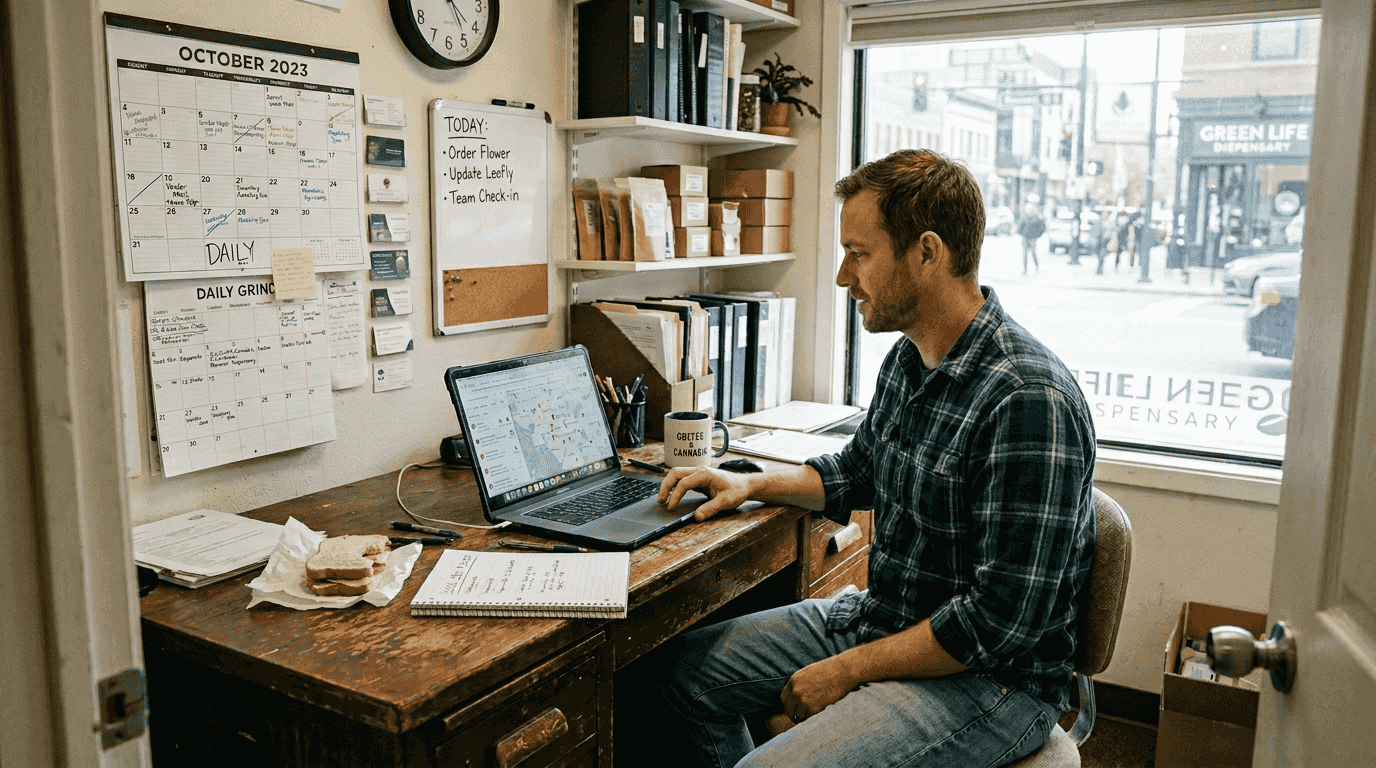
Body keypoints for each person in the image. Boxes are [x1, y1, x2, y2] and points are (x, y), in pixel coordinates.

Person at [649, 149, 1098, 768]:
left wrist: (847, 670)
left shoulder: (1026, 399)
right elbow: (860, 471)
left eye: (858, 253)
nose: (841, 276)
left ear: (927, 253)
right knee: (682, 676)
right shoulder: (910, 359)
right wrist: (749, 485)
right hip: (887, 619)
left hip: (992, 681)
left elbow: (998, 624)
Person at [1016, 203, 1045, 274]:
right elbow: (1020, 226)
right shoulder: (1024, 217)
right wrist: (1020, 232)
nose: (1030, 211)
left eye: (1031, 209)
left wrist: (1038, 235)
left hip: (1033, 238)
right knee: (1025, 254)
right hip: (1025, 237)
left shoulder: (1037, 218)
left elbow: (1042, 227)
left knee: (1033, 253)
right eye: (1028, 209)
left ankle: (1037, 266)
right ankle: (1025, 270)